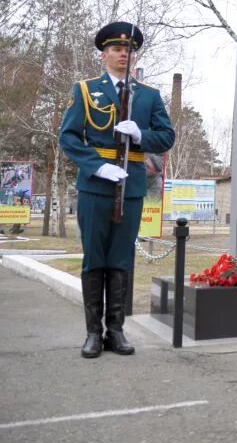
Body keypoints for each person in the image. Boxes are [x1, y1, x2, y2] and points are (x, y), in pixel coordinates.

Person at [58, 22, 175, 359]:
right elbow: (68, 137)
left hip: (132, 184)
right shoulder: (85, 90)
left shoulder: (148, 95)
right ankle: (93, 334)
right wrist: (96, 165)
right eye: (116, 49)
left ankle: (117, 331)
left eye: (128, 49)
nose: (124, 53)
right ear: (103, 54)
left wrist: (140, 134)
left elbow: (166, 136)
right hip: (96, 185)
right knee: (95, 257)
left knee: (121, 258)